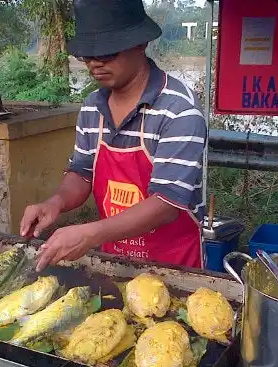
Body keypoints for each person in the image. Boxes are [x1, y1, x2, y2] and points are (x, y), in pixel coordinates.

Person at [21, 0, 207, 272]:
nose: (95, 63)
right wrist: (55, 203)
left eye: (107, 53)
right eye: (87, 55)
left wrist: (89, 234)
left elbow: (166, 205)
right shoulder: (91, 107)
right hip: (115, 261)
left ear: (140, 44)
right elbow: (82, 173)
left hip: (174, 269)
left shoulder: (178, 110)